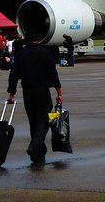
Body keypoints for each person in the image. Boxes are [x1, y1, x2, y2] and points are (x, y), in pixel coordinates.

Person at [6, 35, 63, 166]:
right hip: (42, 91)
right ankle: (34, 146)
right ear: (38, 38)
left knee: (33, 121)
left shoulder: (20, 54)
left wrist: (11, 93)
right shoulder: (45, 53)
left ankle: (38, 155)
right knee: (44, 120)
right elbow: (53, 74)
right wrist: (59, 92)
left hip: (27, 92)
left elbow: (13, 75)